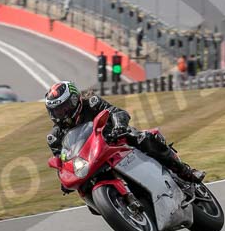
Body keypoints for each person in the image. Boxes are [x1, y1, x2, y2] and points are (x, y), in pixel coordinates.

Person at [44, 81, 205, 193]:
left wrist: (119, 126)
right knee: (83, 189)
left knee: (145, 139)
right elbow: (62, 159)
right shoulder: (55, 137)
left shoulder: (91, 104)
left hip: (113, 139)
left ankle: (185, 172)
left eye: (64, 108)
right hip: (89, 160)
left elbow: (117, 112)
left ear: (74, 100)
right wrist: (64, 178)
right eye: (57, 111)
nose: (62, 113)